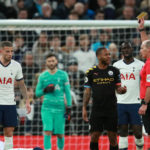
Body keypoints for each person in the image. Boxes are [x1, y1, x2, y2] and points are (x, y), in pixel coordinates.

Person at [82, 47, 127, 150]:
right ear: (98, 56)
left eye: (109, 54)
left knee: (113, 139)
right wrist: (84, 108)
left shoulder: (114, 71)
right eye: (106, 54)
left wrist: (122, 90)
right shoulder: (90, 72)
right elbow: (87, 92)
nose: (109, 56)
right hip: (97, 110)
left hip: (111, 109)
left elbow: (118, 88)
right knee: (94, 137)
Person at [35, 53, 72, 150]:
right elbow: (37, 93)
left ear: (57, 61)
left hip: (60, 108)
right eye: (49, 61)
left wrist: (69, 106)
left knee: (60, 133)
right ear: (46, 63)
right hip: (47, 108)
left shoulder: (63, 74)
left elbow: (68, 92)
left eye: (53, 61)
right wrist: (45, 90)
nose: (51, 63)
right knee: (47, 131)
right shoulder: (42, 76)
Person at [113, 41, 144, 150]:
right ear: (121, 51)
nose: (126, 50)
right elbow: (113, 84)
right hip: (120, 103)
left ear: (132, 49)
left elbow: (145, 83)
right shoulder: (116, 66)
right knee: (122, 131)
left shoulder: (141, 65)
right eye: (124, 48)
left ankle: (139, 147)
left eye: (128, 48)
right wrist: (118, 89)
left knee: (138, 132)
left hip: (136, 102)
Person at [0, 41, 31, 150]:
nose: (10, 54)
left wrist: (27, 101)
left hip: (9, 104)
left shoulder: (16, 65)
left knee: (9, 132)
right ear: (1, 51)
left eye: (12, 51)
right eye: (7, 51)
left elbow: (22, 85)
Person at [138, 17, 150, 147]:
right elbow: (147, 43)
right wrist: (142, 29)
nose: (140, 50)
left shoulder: (149, 64)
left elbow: (149, 86)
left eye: (142, 49)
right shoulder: (148, 61)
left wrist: (145, 103)